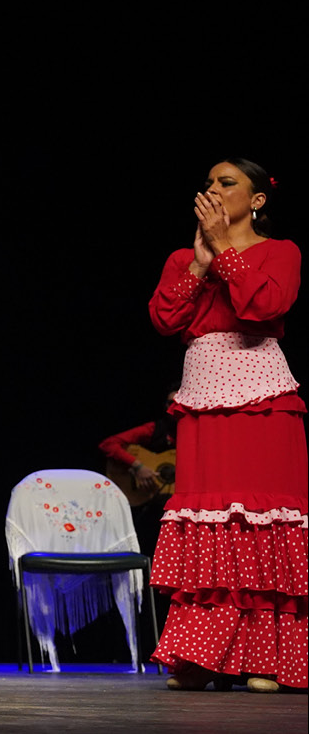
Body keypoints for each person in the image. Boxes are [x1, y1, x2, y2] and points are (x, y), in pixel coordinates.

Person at [147, 158, 305, 693]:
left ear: (257, 199)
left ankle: (266, 658)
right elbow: (165, 320)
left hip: (262, 401)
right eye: (210, 181)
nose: (212, 189)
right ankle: (201, 656)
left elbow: (266, 306)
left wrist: (226, 253)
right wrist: (197, 264)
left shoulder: (280, 252)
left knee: (261, 521)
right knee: (205, 522)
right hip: (201, 399)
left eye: (227, 182)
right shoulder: (182, 257)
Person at [97, 384, 179, 556]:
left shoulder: (197, 434)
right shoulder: (154, 429)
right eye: (169, 403)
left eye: (177, 402)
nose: (172, 407)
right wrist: (138, 466)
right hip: (148, 505)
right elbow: (109, 444)